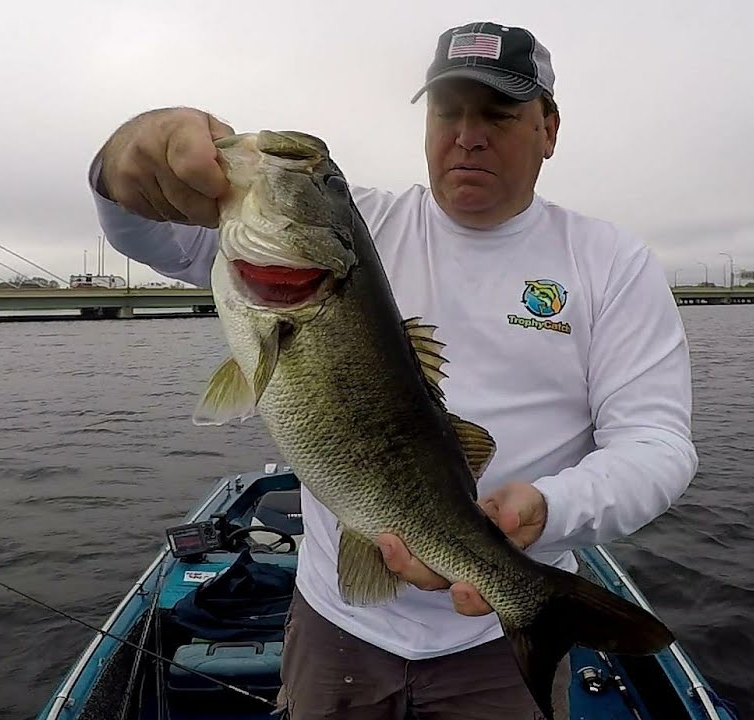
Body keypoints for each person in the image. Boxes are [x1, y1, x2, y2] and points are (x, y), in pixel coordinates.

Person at [87, 20, 697, 720]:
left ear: (549, 129)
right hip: (337, 625)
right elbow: (144, 231)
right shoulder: (356, 227)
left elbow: (657, 445)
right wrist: (123, 159)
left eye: (498, 114)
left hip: (493, 640)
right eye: (447, 111)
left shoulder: (610, 263)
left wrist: (548, 510)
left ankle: (536, 612)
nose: (467, 134)